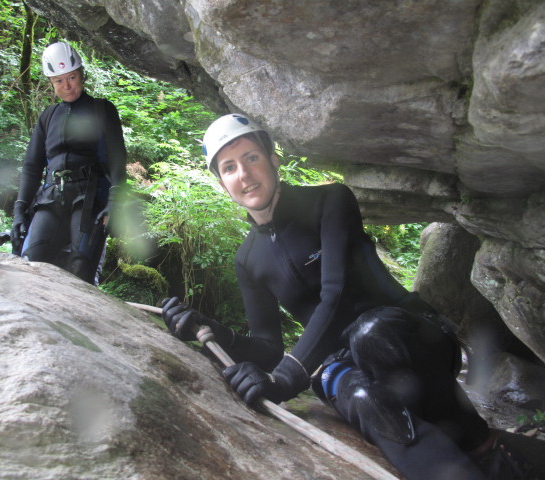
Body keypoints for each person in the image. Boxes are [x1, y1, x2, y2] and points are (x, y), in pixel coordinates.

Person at [161, 114, 532, 480]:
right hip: (342, 359)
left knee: (371, 335)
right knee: (361, 397)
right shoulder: (248, 260)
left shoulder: (329, 201)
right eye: (229, 168)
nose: (243, 174)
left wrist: (288, 378)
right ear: (222, 183)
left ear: (273, 161)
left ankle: (484, 449)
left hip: (407, 334)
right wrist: (214, 332)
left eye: (251, 158)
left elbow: (336, 295)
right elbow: (267, 346)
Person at [11, 41, 127, 284]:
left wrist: (114, 201)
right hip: (51, 196)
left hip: (89, 195)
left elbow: (118, 159)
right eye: (59, 81)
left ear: (81, 75)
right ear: (51, 84)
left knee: (80, 266)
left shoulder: (102, 109)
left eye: (71, 77)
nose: (67, 86)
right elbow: (32, 166)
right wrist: (19, 211)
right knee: (31, 259)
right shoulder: (48, 116)